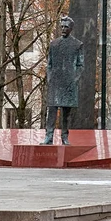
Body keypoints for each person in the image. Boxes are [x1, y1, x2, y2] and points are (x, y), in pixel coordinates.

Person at [41, 15, 84, 145]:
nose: (63, 29)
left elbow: (80, 65)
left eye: (66, 27)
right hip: (55, 82)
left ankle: (64, 137)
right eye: (62, 27)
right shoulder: (53, 44)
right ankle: (48, 137)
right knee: (52, 111)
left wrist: (74, 80)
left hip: (69, 83)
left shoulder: (77, 45)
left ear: (71, 28)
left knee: (66, 113)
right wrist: (49, 78)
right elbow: (49, 64)